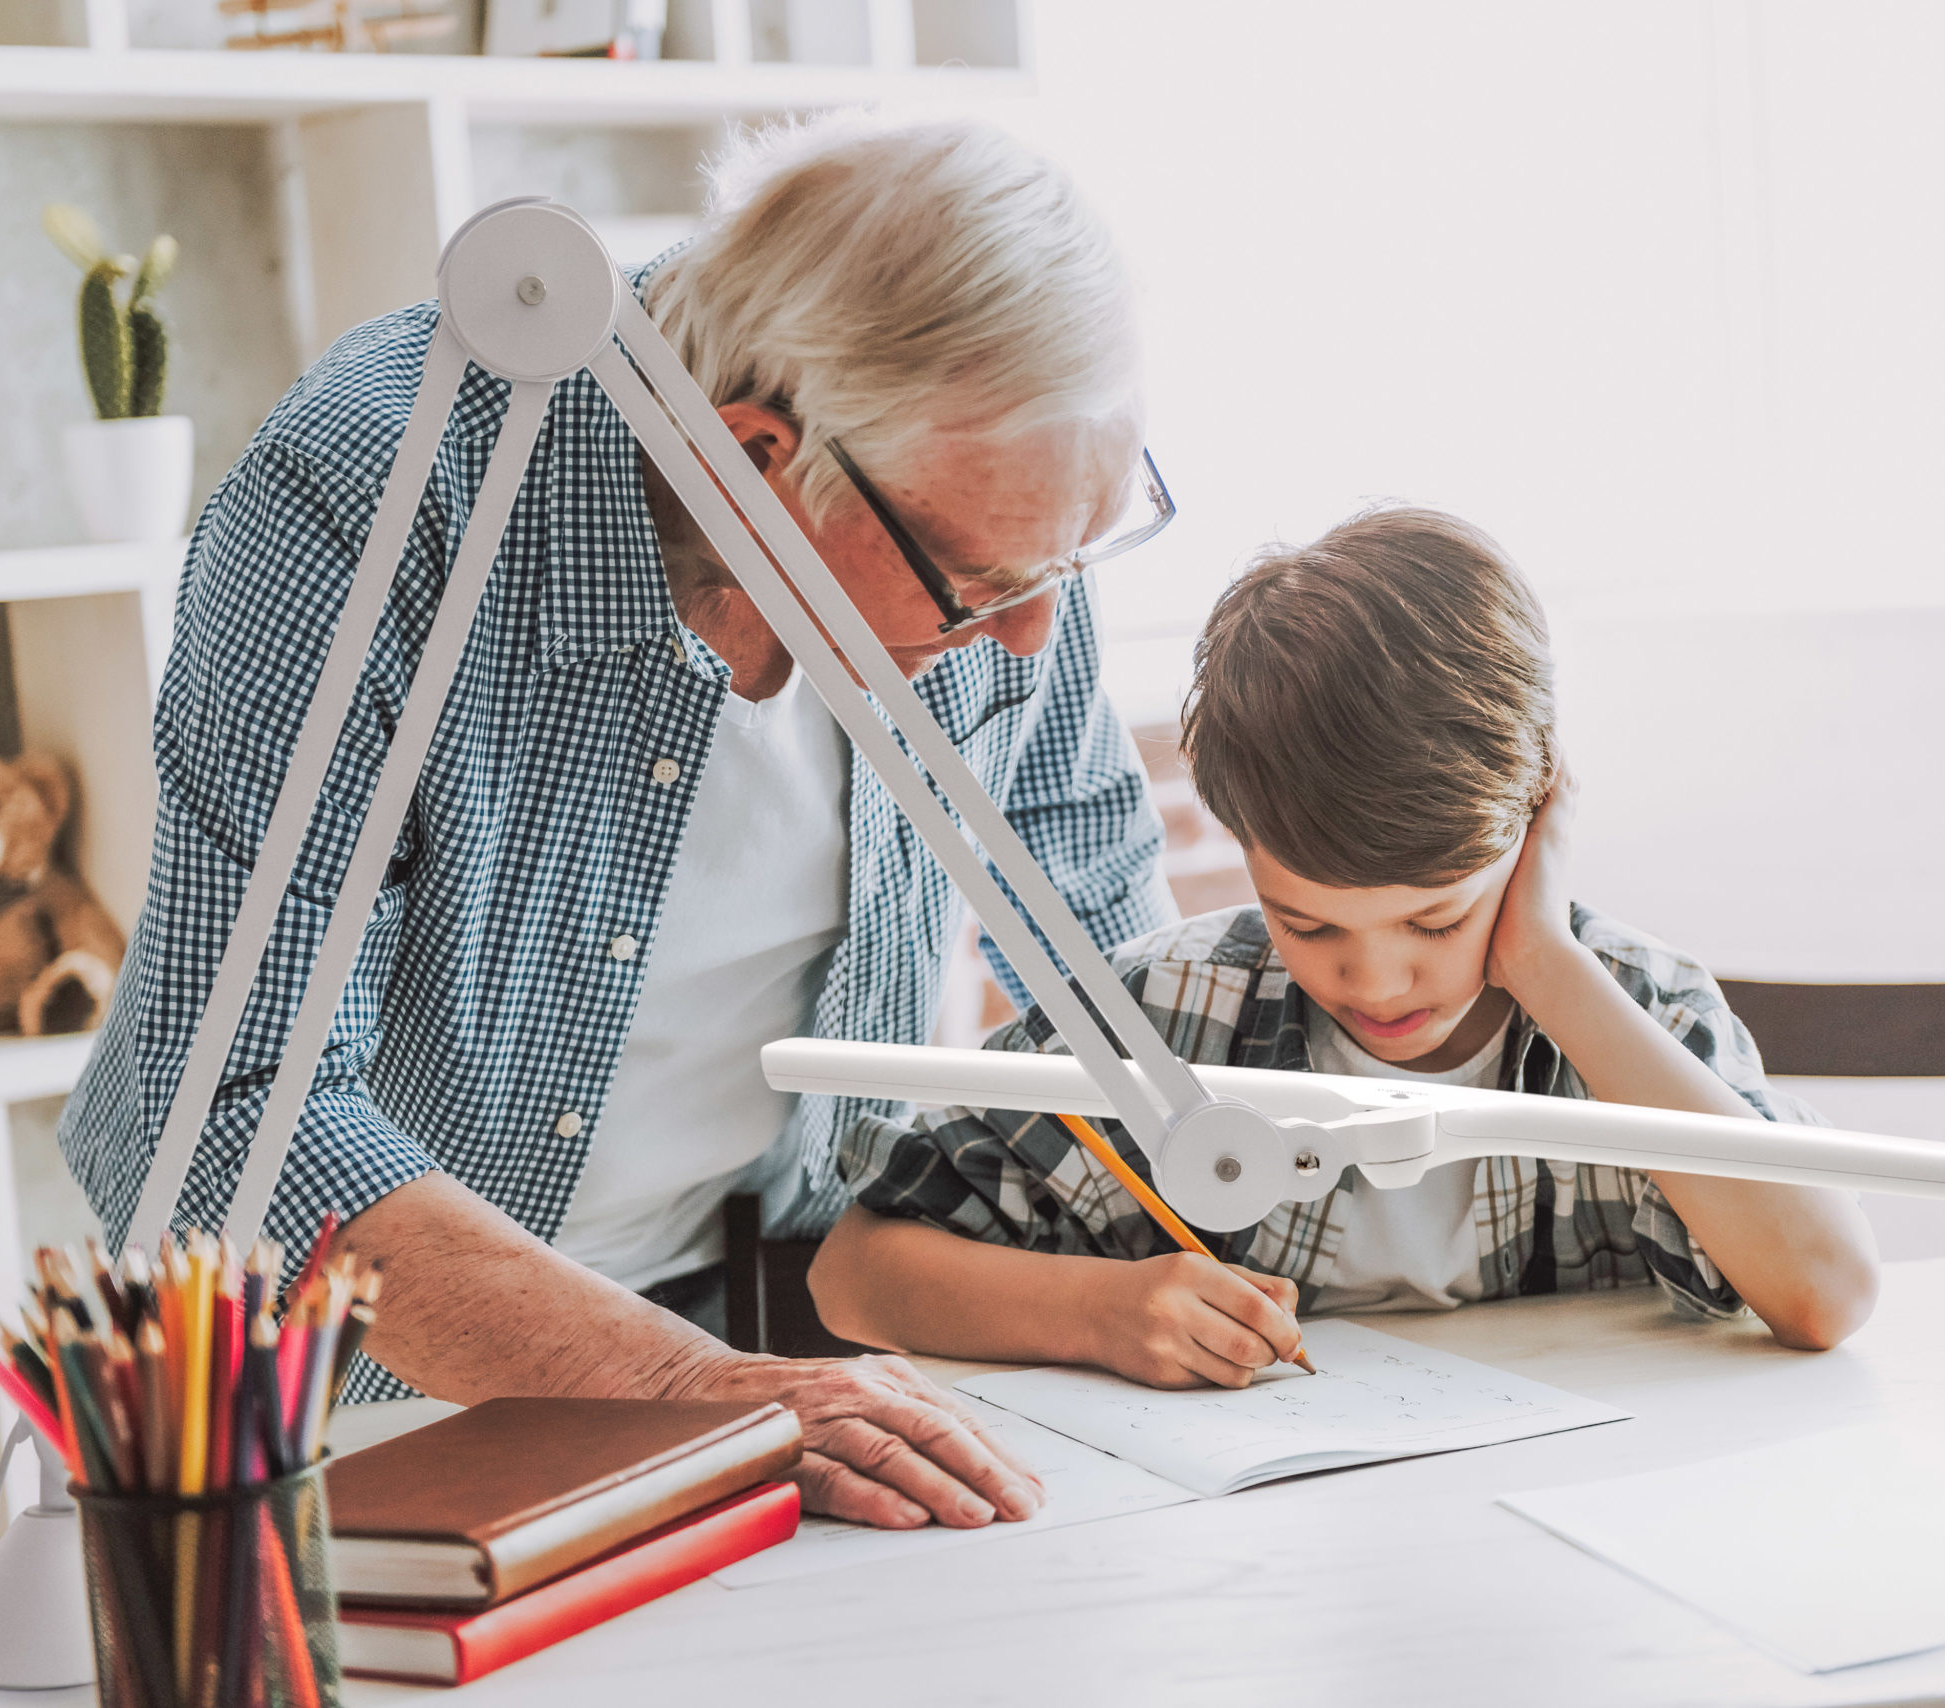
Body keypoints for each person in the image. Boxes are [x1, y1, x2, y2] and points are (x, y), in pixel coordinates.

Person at [61, 114, 1182, 1529]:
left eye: (1068, 566)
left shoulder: (983, 511)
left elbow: (1106, 926)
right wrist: (717, 1399)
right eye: (983, 583)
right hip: (349, 1402)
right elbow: (231, 1123)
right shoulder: (379, 488)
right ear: (758, 458)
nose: (1031, 639)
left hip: (761, 1337)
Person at [810, 506, 1882, 1386]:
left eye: (1436, 919)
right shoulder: (1168, 1018)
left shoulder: (1639, 1009)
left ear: (1536, 816)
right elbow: (854, 1275)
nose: (1371, 979)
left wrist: (1547, 963)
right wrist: (1096, 1311)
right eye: (1307, 922)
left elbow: (1824, 1291)